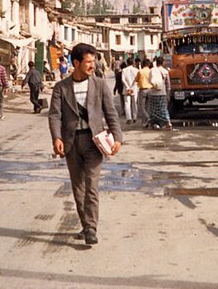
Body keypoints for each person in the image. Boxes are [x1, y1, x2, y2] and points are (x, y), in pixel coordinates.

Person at [48, 42, 123, 246]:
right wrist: (57, 137)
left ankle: (91, 228)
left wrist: (117, 137)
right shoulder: (61, 87)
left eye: (94, 61)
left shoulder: (99, 84)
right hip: (72, 143)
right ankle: (85, 224)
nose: (93, 65)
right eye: (89, 62)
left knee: (91, 186)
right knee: (78, 187)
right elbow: (55, 115)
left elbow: (111, 113)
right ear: (76, 63)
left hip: (94, 142)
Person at [147, 57, 172, 130]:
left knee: (153, 110)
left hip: (153, 93)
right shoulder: (165, 71)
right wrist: (168, 94)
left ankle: (154, 124)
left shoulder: (152, 70)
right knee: (163, 109)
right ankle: (168, 122)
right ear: (163, 62)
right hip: (162, 93)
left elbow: (149, 81)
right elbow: (168, 84)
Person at [134, 59, 154, 125]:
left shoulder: (140, 71)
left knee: (141, 107)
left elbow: (136, 80)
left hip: (143, 90)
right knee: (148, 106)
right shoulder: (151, 71)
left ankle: (147, 118)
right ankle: (145, 122)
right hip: (150, 89)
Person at [121, 57, 139, 123]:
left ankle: (128, 118)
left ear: (127, 63)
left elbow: (123, 79)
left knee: (127, 103)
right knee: (135, 103)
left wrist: (128, 87)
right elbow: (137, 80)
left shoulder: (124, 70)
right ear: (133, 63)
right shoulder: (136, 70)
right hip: (134, 89)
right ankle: (135, 117)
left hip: (126, 89)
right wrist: (132, 87)